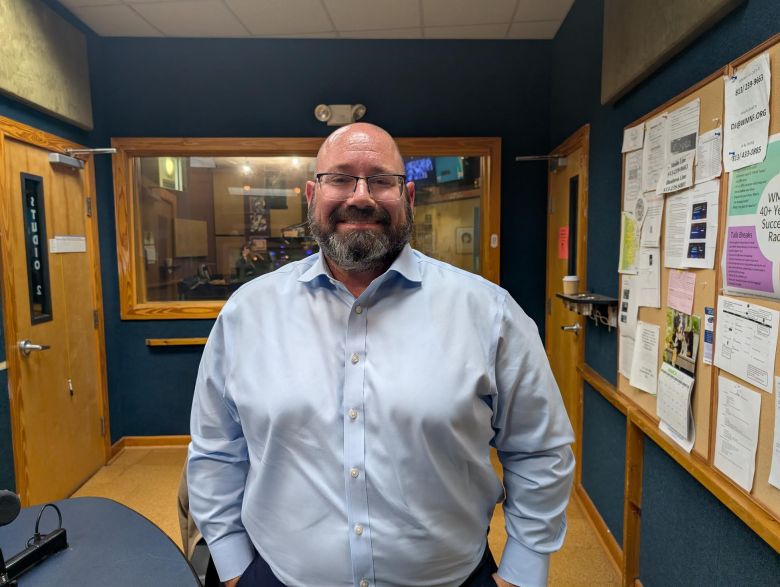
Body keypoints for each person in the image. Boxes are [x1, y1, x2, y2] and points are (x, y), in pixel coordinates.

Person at [188, 123, 575, 587]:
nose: (360, 196)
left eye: (381, 180)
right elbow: (216, 449)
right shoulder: (248, 313)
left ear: (408, 197)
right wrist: (233, 566)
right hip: (279, 577)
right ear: (312, 194)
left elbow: (539, 449)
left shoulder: (488, 313)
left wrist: (523, 570)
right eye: (340, 178)